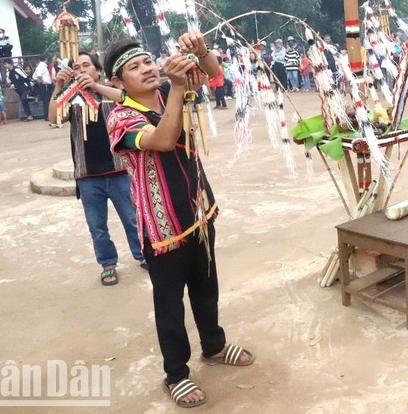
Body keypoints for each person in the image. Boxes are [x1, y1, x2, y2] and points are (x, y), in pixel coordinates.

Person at [103, 34, 254, 408]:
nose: (147, 69)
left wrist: (200, 50)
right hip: (162, 225)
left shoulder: (175, 92)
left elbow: (213, 73)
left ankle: (214, 346)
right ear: (119, 83)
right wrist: (175, 88)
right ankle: (176, 373)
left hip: (198, 210)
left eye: (147, 62)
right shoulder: (121, 118)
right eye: (134, 67)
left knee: (206, 285)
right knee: (170, 302)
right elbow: (164, 139)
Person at [48, 51, 144, 284]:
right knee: (97, 227)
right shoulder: (71, 98)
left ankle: (142, 255)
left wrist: (96, 87)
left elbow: (130, 99)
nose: (81, 70)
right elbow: (54, 118)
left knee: (132, 218)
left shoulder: (110, 94)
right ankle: (108, 263)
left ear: (98, 71)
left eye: (86, 65)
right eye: (76, 67)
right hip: (88, 175)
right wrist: (59, 86)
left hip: (119, 170)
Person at [33, 55, 54, 121]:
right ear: (46, 59)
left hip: (46, 85)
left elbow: (34, 76)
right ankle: (47, 115)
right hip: (45, 85)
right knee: (46, 101)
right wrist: (42, 81)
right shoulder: (41, 66)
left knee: (47, 100)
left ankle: (48, 115)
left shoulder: (41, 66)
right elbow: (38, 75)